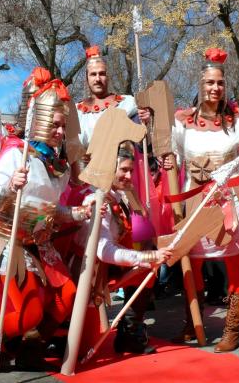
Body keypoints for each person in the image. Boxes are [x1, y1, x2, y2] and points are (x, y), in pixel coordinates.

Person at [0, 81, 85, 379]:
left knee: (68, 296)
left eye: (63, 126)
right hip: (10, 239)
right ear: (42, 122)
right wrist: (11, 185)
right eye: (56, 125)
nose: (61, 132)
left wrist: (78, 213)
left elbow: (51, 210)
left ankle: (30, 350)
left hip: (40, 242)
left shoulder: (58, 167)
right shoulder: (16, 154)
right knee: (29, 312)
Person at [168, 48, 239, 352]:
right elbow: (172, 158)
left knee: (233, 262)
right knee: (193, 262)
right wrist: (165, 163)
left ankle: (233, 328)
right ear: (199, 87)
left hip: (229, 199)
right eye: (209, 83)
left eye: (220, 83)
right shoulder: (182, 122)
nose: (215, 88)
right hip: (193, 198)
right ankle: (194, 323)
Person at [83, 143, 172, 354]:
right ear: (108, 170)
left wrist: (151, 250)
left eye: (131, 170)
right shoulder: (97, 200)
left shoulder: (120, 195)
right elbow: (104, 251)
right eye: (124, 170)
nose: (129, 176)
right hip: (89, 273)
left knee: (147, 272)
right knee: (78, 347)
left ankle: (130, 333)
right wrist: (148, 256)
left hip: (106, 267)